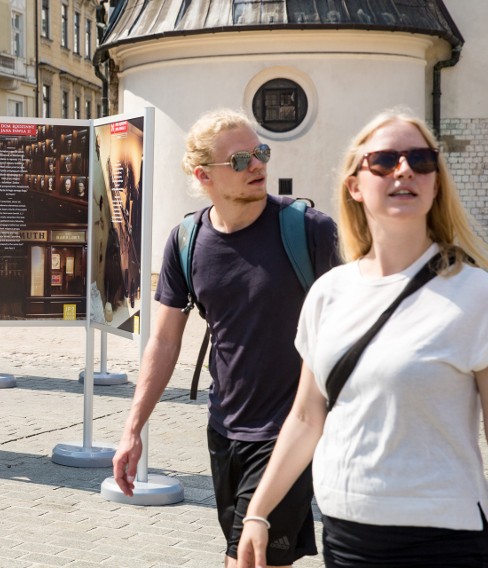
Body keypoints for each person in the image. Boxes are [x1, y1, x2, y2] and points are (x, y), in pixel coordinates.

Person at [237, 111, 488, 568]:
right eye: (383, 160)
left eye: (421, 160)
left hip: (443, 537)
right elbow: (305, 416)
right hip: (345, 529)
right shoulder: (329, 293)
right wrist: (258, 513)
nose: (404, 170)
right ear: (355, 185)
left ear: (435, 182)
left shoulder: (478, 295)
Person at [111, 109, 339, 567]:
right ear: (203, 175)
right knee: (244, 554)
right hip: (224, 428)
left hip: (290, 431)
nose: (257, 165)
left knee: (247, 560)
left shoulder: (308, 230)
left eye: (260, 153)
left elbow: (347, 326)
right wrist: (132, 429)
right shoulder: (186, 240)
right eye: (239, 160)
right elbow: (164, 342)